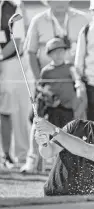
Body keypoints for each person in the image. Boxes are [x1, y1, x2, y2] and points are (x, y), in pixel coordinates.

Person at [21, 0, 88, 173]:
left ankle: (74, 160)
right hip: (46, 86)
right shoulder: (38, 20)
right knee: (39, 121)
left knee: (72, 125)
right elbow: (30, 51)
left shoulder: (82, 19)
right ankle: (33, 159)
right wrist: (40, 84)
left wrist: (79, 84)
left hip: (70, 89)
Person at [0, 0, 31, 168]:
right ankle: (5, 155)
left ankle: (21, 154)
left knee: (15, 110)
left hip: (11, 63)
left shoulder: (15, 6)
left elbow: (16, 42)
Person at [36, 37, 86, 127]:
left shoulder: (70, 67)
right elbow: (40, 88)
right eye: (54, 52)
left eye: (61, 51)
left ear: (65, 52)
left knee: (69, 133)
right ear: (49, 55)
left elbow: (78, 82)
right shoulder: (46, 71)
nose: (58, 54)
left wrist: (79, 105)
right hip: (53, 109)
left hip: (69, 109)